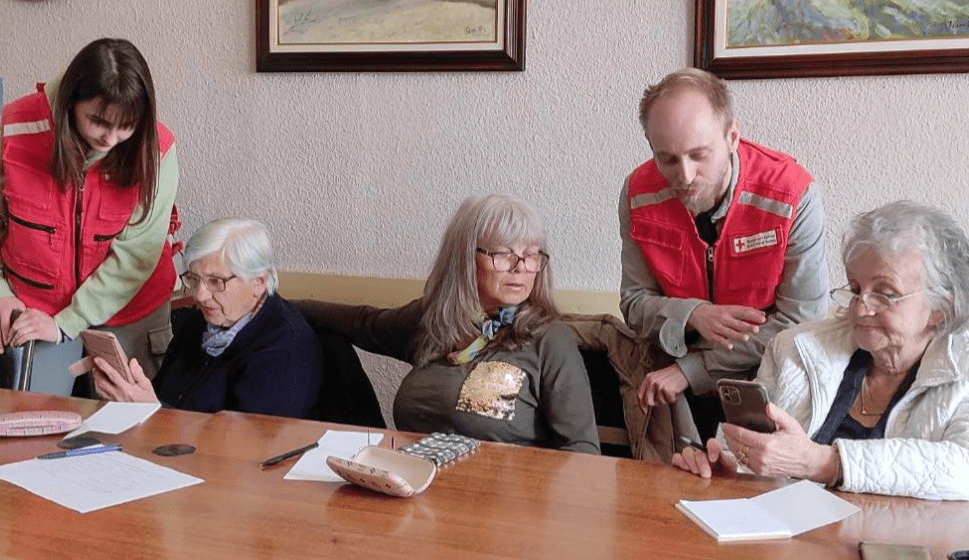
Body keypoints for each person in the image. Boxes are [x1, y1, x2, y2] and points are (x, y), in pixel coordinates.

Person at [674, 201, 969, 501]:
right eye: (855, 289)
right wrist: (727, 471)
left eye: (884, 294)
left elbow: (962, 468)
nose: (861, 307)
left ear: (940, 309)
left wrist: (823, 463)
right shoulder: (795, 348)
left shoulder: (964, 369)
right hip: (791, 541)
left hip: (900, 544)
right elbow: (741, 457)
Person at [297, 194, 599, 453]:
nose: (520, 268)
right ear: (465, 259)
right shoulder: (433, 320)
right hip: (417, 493)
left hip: (505, 511)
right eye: (503, 254)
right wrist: (275, 303)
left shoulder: (550, 339)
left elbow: (582, 451)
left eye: (531, 255)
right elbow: (362, 322)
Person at [618, 67, 829, 439]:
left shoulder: (791, 193)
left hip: (773, 381)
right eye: (666, 159)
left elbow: (802, 322)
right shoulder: (637, 192)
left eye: (699, 155)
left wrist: (693, 369)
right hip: (673, 378)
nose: (684, 176)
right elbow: (635, 304)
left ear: (732, 135)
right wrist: (693, 314)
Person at [0, 38, 180, 381]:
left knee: (131, 428)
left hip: (131, 314)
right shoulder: (16, 127)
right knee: (32, 424)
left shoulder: (158, 149)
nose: (111, 138)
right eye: (98, 121)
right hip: (35, 309)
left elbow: (137, 255)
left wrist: (67, 322)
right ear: (70, 103)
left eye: (126, 125)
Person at [93, 218, 323, 418]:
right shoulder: (199, 322)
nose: (200, 295)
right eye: (193, 279)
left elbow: (246, 449)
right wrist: (131, 394)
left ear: (258, 283)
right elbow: (165, 397)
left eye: (215, 282)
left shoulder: (284, 350)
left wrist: (152, 413)